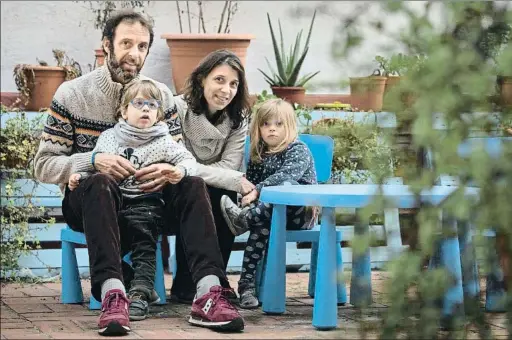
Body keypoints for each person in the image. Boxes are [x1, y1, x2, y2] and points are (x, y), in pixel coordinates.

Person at [33, 10, 244, 336]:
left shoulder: (161, 97)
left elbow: (178, 154)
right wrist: (93, 161)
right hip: (93, 205)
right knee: (101, 182)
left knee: (191, 183)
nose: (135, 53)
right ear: (106, 45)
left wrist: (171, 170)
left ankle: (209, 292)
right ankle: (113, 295)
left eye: (142, 46)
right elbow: (44, 165)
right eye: (126, 43)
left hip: (151, 205)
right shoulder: (72, 95)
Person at [67, 79, 197, 321]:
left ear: (159, 114)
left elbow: (188, 160)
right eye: (138, 103)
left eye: (152, 104)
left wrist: (179, 171)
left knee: (145, 244)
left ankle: (139, 295)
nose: (146, 109)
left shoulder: (163, 141)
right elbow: (97, 169)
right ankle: (137, 286)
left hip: (147, 204)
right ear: (124, 111)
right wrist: (78, 176)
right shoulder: (110, 138)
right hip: (113, 206)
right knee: (111, 235)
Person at [171, 49, 256, 303]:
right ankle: (188, 284)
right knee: (196, 187)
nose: (226, 90)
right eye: (219, 80)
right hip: (174, 190)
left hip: (212, 189)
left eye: (233, 84)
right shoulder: (176, 109)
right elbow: (176, 163)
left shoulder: (237, 119)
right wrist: (230, 179)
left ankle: (214, 279)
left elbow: (230, 167)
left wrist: (227, 179)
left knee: (223, 193)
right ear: (201, 79)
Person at [220, 98, 317, 309]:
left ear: (289, 126)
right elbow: (250, 185)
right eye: (266, 124)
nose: (272, 129)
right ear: (258, 127)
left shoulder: (298, 149)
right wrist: (249, 195)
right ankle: (246, 286)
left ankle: (242, 219)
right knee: (259, 229)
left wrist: (256, 191)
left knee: (286, 187)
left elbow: (284, 176)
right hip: (267, 216)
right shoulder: (258, 155)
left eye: (278, 124)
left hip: (299, 215)